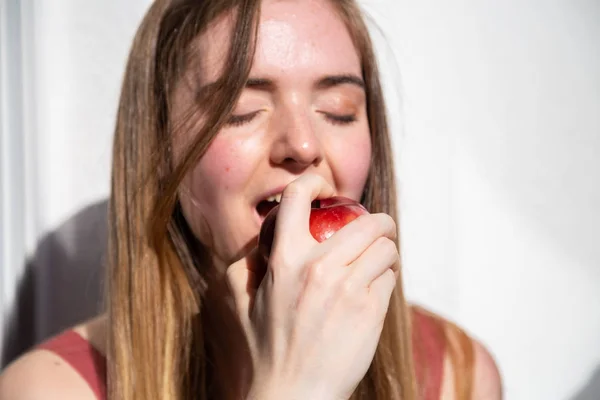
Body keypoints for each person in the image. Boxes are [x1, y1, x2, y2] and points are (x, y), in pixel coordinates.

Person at [0, 0, 502, 399]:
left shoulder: (456, 377)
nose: (303, 146)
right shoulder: (50, 391)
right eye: (242, 111)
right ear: (160, 150)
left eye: (339, 109)